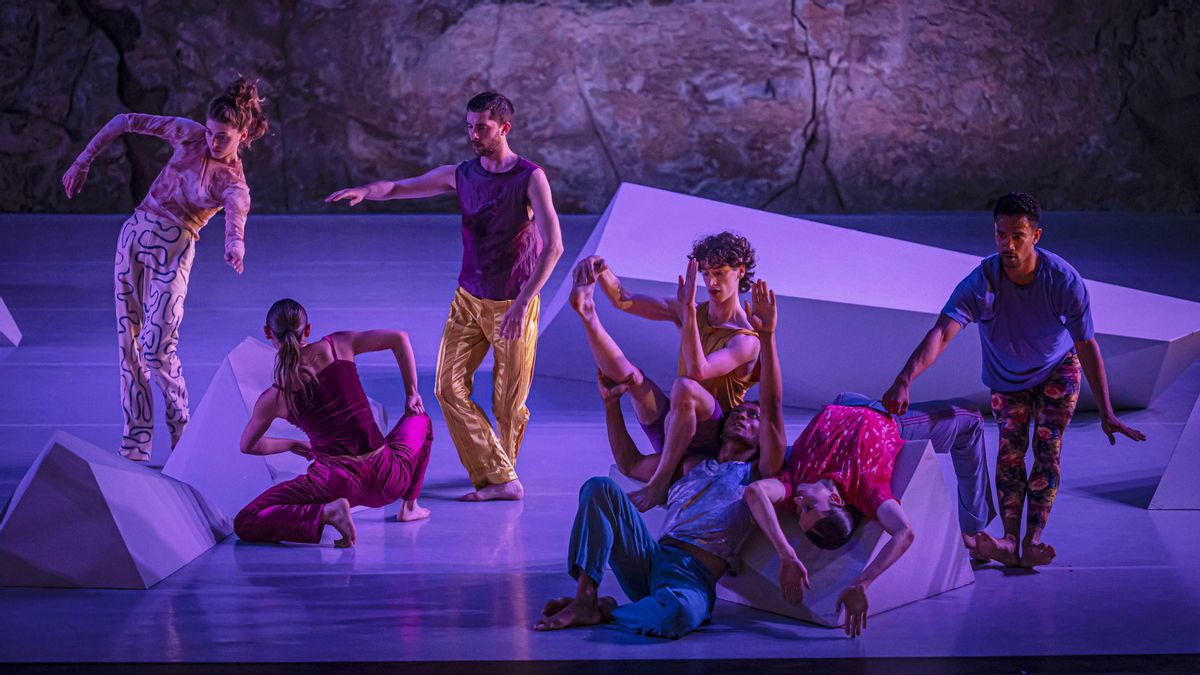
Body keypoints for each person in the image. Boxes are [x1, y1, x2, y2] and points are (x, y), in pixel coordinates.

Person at [882, 192, 1146, 567]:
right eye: (1001, 234)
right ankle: (1008, 542)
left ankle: (1032, 540)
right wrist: (904, 378)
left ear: (1036, 236)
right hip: (1007, 380)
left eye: (1018, 235)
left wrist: (1106, 410)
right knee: (1009, 453)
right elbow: (941, 333)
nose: (1008, 244)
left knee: (1047, 446)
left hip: (1057, 370)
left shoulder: (1064, 281)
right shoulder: (980, 283)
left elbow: (1086, 345)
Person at [325, 92, 563, 502]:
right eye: (469, 126)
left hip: (514, 303)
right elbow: (400, 187)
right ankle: (500, 478)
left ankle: (500, 476)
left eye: (482, 127)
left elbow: (554, 246)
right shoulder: (461, 174)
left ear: (504, 128)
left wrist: (524, 303)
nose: (473, 134)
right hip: (468, 300)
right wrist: (367, 190)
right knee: (446, 388)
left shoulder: (529, 178)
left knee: (508, 405)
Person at [61, 76, 268, 462]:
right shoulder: (189, 135)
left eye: (223, 135)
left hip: (175, 250)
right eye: (210, 132)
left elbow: (236, 219)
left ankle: (182, 432)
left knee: (158, 346)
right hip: (135, 236)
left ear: (242, 135)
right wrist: (82, 161)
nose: (214, 141)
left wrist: (235, 246)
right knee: (129, 346)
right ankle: (136, 442)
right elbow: (125, 121)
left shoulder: (234, 182)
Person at [738, 282, 916, 638]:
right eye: (808, 509)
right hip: (890, 414)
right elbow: (904, 532)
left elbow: (756, 493)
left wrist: (786, 554)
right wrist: (863, 582)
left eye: (798, 513)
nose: (798, 505)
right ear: (835, 500)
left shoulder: (793, 484)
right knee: (968, 424)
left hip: (847, 402)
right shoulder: (866, 490)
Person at [569, 230, 760, 512]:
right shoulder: (691, 309)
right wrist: (602, 270)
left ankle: (659, 483)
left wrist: (689, 313)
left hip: (713, 436)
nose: (711, 282)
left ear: (740, 272)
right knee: (633, 378)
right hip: (677, 425)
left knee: (684, 386)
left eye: (719, 272)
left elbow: (699, 371)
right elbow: (625, 299)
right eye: (706, 273)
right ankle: (587, 316)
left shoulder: (745, 340)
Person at [234, 299, 432, 547]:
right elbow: (399, 338)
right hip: (388, 478)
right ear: (307, 330)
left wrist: (291, 444)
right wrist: (412, 393)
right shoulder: (339, 345)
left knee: (247, 519)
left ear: (267, 333)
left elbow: (248, 445)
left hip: (334, 485)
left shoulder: (274, 397)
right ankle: (409, 506)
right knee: (421, 418)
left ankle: (327, 513)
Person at [831, 392, 995, 552]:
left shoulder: (808, 475)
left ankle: (975, 529)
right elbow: (904, 532)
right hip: (871, 420)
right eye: (810, 505)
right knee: (971, 419)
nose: (803, 498)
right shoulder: (869, 487)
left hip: (847, 410)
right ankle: (974, 532)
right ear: (836, 500)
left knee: (847, 399)